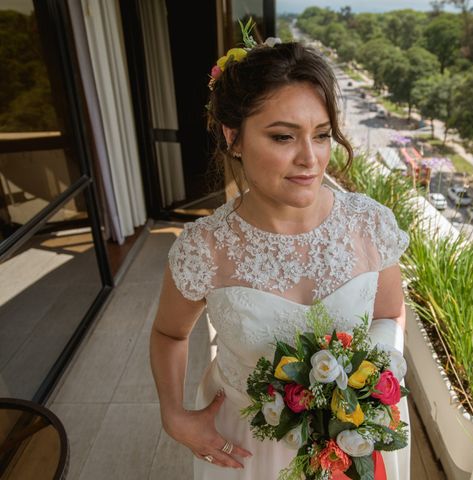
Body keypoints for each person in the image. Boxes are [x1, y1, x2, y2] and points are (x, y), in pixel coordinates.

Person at [149, 35, 411, 480]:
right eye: (283, 136)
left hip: (354, 441)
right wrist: (173, 413)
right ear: (234, 137)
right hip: (248, 450)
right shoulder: (203, 249)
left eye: (322, 135)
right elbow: (169, 335)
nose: (310, 158)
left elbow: (389, 314)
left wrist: (362, 396)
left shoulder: (370, 225)